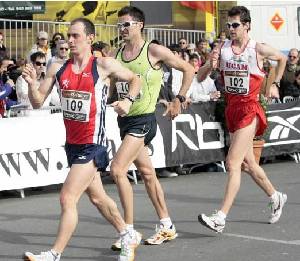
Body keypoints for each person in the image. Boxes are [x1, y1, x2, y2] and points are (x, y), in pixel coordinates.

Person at [22, 17, 142, 261]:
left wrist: (128, 101)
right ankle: (126, 233)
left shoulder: (103, 65)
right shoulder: (58, 68)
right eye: (68, 36)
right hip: (73, 145)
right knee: (98, 197)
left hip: (93, 144)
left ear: (89, 38)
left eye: (75, 36)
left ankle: (54, 254)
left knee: (67, 197)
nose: (70, 40)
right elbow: (37, 102)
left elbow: (135, 79)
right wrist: (32, 83)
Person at [109, 6, 194, 250]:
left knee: (117, 170)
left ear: (140, 25)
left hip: (144, 121)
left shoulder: (153, 50)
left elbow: (188, 69)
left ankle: (129, 231)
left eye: (126, 24)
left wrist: (179, 98)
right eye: (119, 25)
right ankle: (167, 225)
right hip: (125, 121)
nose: (122, 29)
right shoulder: (118, 53)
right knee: (147, 174)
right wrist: (112, 98)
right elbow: (115, 85)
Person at [197, 6, 287, 233]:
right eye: (228, 25)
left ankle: (220, 217)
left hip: (250, 109)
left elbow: (282, 58)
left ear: (247, 25)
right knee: (249, 164)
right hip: (232, 109)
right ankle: (276, 196)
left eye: (235, 25)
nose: (231, 29)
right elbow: (199, 77)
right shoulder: (222, 48)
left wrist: (273, 83)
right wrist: (210, 63)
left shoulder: (257, 48)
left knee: (232, 163)